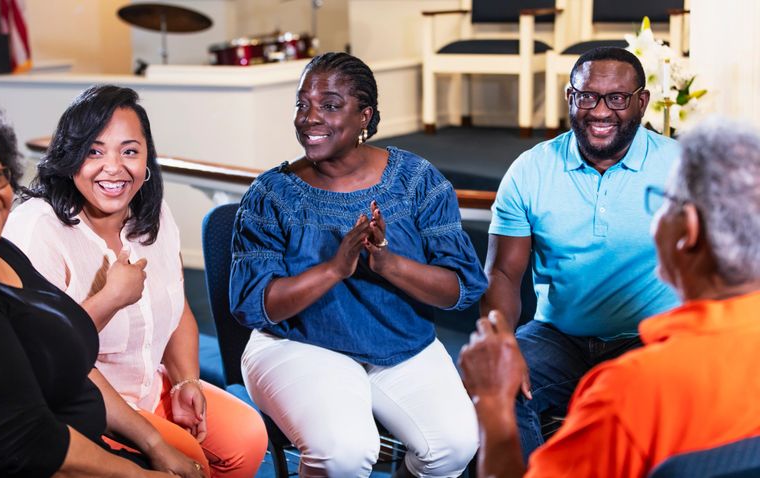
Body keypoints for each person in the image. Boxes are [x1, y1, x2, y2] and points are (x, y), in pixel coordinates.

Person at [230, 52, 487, 478]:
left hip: (399, 342)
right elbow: (255, 305)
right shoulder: (271, 195)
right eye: (302, 104)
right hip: (298, 344)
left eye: (329, 105)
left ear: (365, 115)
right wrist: (334, 267)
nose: (309, 118)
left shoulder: (416, 181)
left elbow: (460, 288)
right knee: (345, 452)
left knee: (456, 445)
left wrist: (387, 264)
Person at [460, 117, 760, 477]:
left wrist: (492, 405)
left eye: (663, 202)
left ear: (689, 231)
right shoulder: (532, 167)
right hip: (560, 335)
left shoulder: (629, 395)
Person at [3, 85, 267, 478]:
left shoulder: (152, 212)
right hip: (85, 402)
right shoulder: (36, 227)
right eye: (94, 151)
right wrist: (110, 298)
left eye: (129, 151)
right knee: (186, 455)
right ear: (68, 156)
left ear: (146, 159)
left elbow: (178, 310)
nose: (114, 167)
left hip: (149, 387)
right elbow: (44, 354)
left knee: (247, 439)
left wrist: (185, 382)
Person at [0, 94, 206, 477]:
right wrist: (142, 472)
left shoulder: (4, 253)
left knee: (230, 443)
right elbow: (32, 444)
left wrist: (155, 441)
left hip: (97, 429)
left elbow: (71, 364)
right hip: (58, 456)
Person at [480, 46, 680, 458]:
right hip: (559, 337)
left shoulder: (679, 167)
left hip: (649, 338)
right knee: (497, 388)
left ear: (641, 102)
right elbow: (501, 275)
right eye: (587, 96)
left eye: (617, 98)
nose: (600, 111)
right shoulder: (530, 170)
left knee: (658, 410)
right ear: (571, 98)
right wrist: (502, 347)